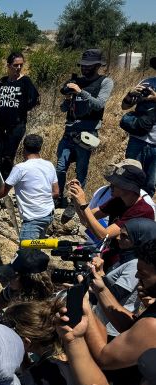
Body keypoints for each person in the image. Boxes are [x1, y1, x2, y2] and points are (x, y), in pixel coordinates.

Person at [56, 49, 114, 203]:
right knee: (60, 167)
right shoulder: (77, 81)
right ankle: (58, 197)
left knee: (81, 170)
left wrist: (81, 92)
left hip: (87, 132)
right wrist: (68, 98)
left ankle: (76, 202)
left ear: (97, 66)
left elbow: (99, 104)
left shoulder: (105, 82)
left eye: (88, 66)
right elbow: (63, 109)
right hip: (69, 131)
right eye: (83, 65)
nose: (84, 69)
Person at [90, 219, 156, 338]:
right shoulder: (126, 259)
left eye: (124, 236)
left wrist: (99, 274)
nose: (117, 238)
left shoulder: (134, 264)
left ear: (138, 239)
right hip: (105, 321)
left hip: (112, 329)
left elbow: (116, 294)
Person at [68, 159, 155, 242]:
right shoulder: (118, 201)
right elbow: (85, 219)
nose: (111, 185)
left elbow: (103, 235)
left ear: (128, 188)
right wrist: (76, 197)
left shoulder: (142, 211)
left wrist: (83, 204)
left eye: (116, 183)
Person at [0, 51, 40, 183]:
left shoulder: (25, 81)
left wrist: (22, 109)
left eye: (21, 65)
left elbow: (35, 99)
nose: (18, 68)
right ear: (8, 65)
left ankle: (7, 183)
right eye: (15, 65)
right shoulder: (3, 81)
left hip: (16, 125)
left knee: (8, 155)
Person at [0, 134, 59, 241]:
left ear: (23, 147)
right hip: (48, 215)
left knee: (26, 254)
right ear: (40, 148)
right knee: (35, 251)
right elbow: (56, 192)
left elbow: (2, 193)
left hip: (33, 219)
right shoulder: (49, 165)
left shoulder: (20, 168)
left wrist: (1, 182)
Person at [121, 59, 156, 196]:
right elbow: (124, 107)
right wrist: (130, 95)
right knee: (128, 180)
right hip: (137, 139)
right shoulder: (147, 83)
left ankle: (143, 214)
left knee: (149, 184)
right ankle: (124, 214)